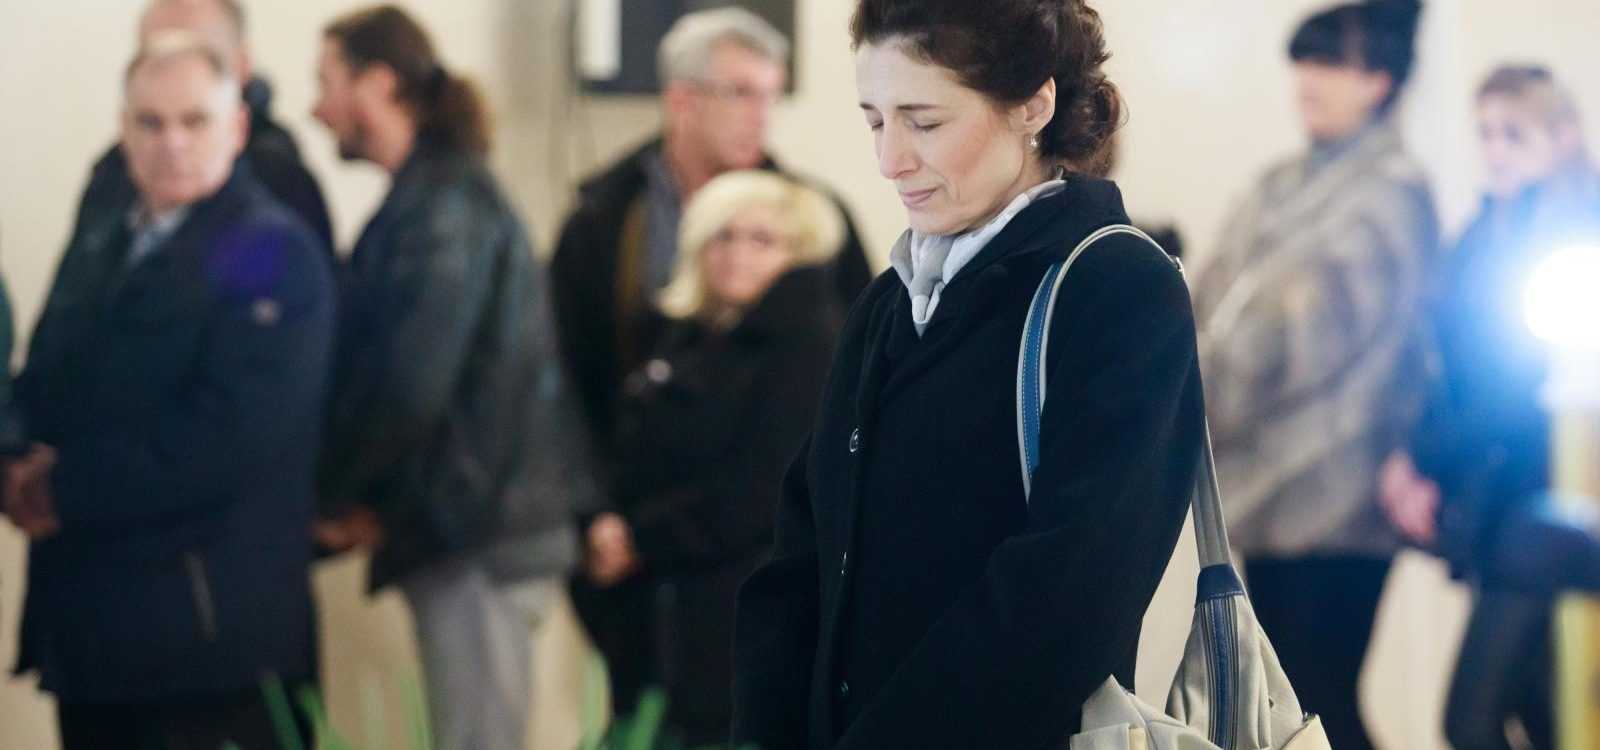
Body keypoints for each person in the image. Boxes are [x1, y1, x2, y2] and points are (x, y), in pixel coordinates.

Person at [731, 1, 1206, 748]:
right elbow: (806, 551)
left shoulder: (1116, 287)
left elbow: (1071, 591)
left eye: (924, 122)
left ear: (1033, 107)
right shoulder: (890, 300)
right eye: (874, 121)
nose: (890, 159)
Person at [3, 33, 334, 749]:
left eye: (194, 121)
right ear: (122, 130)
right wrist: (13, 458)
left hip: (208, 649)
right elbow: (50, 375)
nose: (172, 143)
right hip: (96, 640)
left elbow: (227, 436)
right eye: (150, 123)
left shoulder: (269, 250)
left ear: (236, 128)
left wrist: (61, 487)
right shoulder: (105, 240)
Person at [310, 7, 596, 750]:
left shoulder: (444, 208)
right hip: (469, 527)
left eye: (327, 82)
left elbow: (410, 385)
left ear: (378, 84)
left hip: (480, 538)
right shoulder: (432, 199)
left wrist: (338, 495)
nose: (316, 108)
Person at [1188, 2, 1436, 748]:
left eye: (1332, 63)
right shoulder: (1281, 181)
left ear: (1380, 80)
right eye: (1306, 59)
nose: (1309, 79)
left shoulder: (1390, 193)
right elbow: (1209, 295)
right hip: (1268, 490)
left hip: (1337, 495)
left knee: (1318, 701)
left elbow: (1298, 331)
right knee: (1290, 708)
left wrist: (1192, 387)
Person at [579, 170, 844, 743]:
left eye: (762, 239)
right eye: (723, 236)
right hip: (658, 610)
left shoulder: (809, 344)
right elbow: (631, 450)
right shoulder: (683, 336)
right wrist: (603, 520)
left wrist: (640, 539)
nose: (736, 254)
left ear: (799, 253)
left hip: (736, 609)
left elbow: (766, 487)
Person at [1380, 64, 1600, 750]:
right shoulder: (1487, 231)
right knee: (1541, 710)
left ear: (1562, 136)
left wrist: (1421, 459)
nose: (1496, 149)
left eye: (1515, 134)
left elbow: (1512, 385)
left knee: (1473, 718)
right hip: (1497, 499)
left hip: (1544, 502)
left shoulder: (1570, 236)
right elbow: (1452, 367)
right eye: (1486, 133)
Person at [551, 7, 873, 462]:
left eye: (770, 96)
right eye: (741, 94)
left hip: (780, 475)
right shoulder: (603, 219)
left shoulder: (814, 220)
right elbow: (567, 373)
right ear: (682, 101)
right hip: (638, 474)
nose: (761, 117)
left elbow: (863, 359)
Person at [78, 0, 335, 254]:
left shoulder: (281, 184)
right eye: (155, 55)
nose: (173, 142)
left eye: (196, 56)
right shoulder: (113, 172)